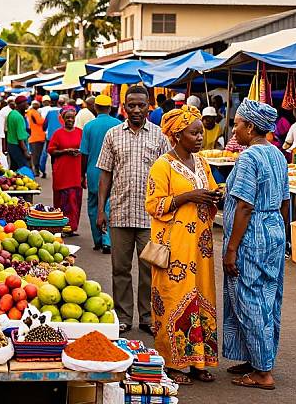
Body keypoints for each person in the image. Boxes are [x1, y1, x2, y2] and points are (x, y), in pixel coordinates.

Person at [146, 105, 220, 385]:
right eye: (194, 133)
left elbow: (209, 191)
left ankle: (199, 361)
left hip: (200, 247)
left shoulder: (202, 163)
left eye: (201, 132)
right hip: (174, 246)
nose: (201, 137)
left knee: (202, 297)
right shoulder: (162, 165)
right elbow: (154, 204)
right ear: (177, 135)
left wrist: (214, 196)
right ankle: (174, 363)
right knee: (173, 298)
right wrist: (187, 196)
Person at [222, 99, 289, 391]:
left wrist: (232, 248)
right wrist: (280, 235)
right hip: (273, 232)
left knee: (249, 300)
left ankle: (262, 373)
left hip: (252, 235)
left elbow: (245, 207)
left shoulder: (249, 158)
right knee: (267, 296)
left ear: (250, 127)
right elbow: (285, 201)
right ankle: (255, 359)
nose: (234, 129)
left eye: (237, 123)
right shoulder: (276, 155)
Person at [96, 86, 169, 335]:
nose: (136, 110)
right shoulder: (113, 135)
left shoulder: (160, 137)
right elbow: (105, 174)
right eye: (131, 105)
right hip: (120, 211)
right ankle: (123, 315)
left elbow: (169, 175)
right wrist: (101, 210)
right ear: (124, 107)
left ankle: (148, 317)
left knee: (149, 270)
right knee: (120, 268)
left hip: (151, 216)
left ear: (149, 106)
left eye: (141, 105)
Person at [80, 95, 121, 253]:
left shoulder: (89, 126)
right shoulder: (118, 124)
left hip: (93, 172)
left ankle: (97, 239)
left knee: (93, 206)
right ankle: (107, 241)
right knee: (109, 206)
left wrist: (81, 174)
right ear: (110, 108)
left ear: (95, 107)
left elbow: (84, 153)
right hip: (112, 173)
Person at [48, 107, 83, 234]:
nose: (70, 120)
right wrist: (65, 151)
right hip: (62, 172)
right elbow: (51, 150)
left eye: (72, 117)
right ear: (63, 119)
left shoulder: (80, 132)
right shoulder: (58, 133)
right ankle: (61, 227)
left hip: (76, 171)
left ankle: (72, 227)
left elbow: (84, 150)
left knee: (75, 201)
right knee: (62, 201)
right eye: (67, 117)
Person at [6, 95, 31, 171]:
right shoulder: (19, 117)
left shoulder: (11, 113)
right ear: (20, 104)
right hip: (17, 146)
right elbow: (20, 138)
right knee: (24, 168)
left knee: (14, 168)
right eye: (25, 103)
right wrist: (25, 151)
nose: (27, 105)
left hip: (10, 144)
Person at [26, 100, 46, 177]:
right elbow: (40, 121)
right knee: (37, 155)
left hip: (33, 137)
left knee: (35, 155)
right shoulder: (34, 112)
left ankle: (36, 170)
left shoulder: (29, 112)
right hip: (37, 137)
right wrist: (44, 119)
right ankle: (36, 171)